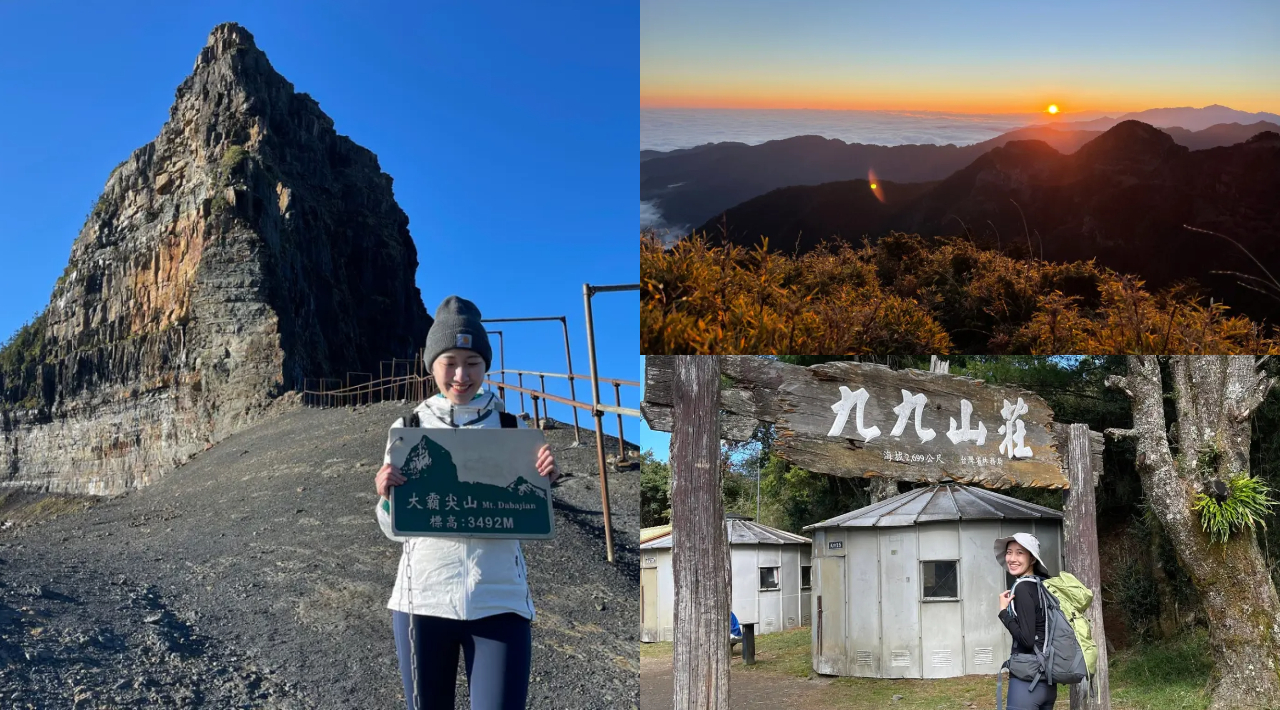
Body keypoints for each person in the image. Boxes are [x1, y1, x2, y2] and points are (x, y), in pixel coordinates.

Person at [373, 295, 559, 710]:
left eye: (473, 361)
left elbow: (530, 515)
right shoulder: (408, 429)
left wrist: (546, 479)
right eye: (450, 361)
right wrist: (387, 499)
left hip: (500, 600)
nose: (461, 374)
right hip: (422, 599)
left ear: (486, 364)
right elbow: (392, 528)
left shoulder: (514, 428)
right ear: (431, 364)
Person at [995, 532, 1057, 710]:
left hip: (1026, 683)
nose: (1012, 558)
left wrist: (1003, 613)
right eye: (1009, 552)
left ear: (1032, 559)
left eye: (1020, 553)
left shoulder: (1022, 588)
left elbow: (1027, 639)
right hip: (1048, 682)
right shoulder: (1043, 585)